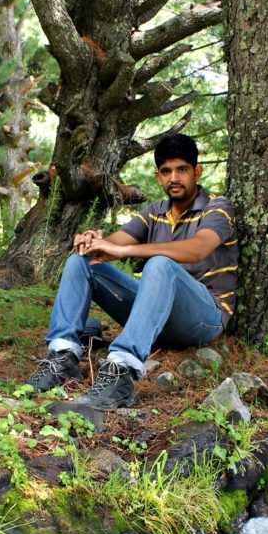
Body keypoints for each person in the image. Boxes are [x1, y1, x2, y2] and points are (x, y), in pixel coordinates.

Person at [26, 133, 239, 409]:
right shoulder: (155, 212)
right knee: (82, 262)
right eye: (166, 171)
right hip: (157, 316)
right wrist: (93, 241)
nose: (174, 178)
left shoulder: (217, 207)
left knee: (160, 264)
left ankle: (121, 374)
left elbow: (199, 248)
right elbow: (114, 243)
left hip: (203, 317)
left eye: (182, 169)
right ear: (158, 176)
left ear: (197, 172)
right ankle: (62, 357)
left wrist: (127, 252)